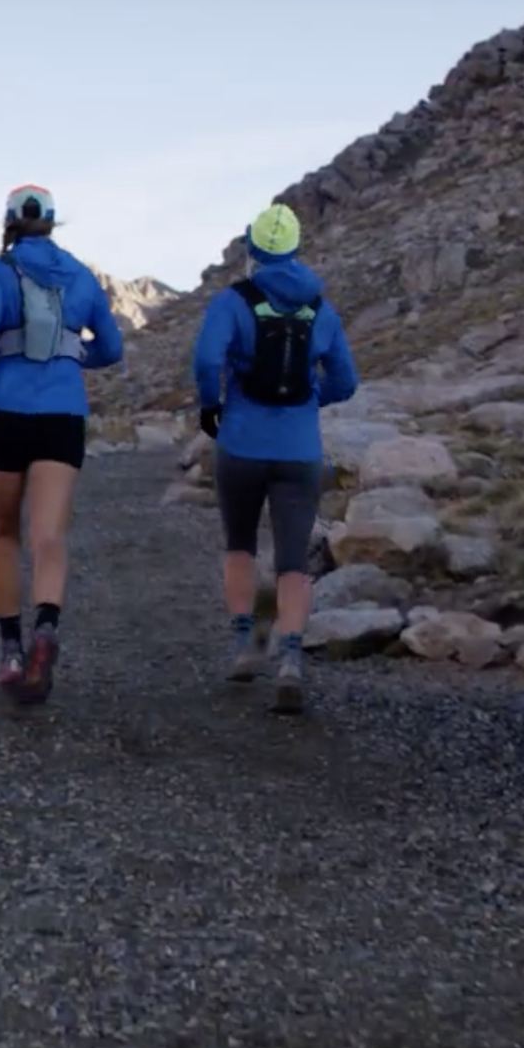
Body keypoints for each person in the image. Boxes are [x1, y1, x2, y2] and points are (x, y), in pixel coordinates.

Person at [190, 201, 359, 715]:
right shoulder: (321, 309)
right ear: (296, 248)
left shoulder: (233, 301)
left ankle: (245, 645)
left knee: (239, 546)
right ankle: (290, 660)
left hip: (240, 443)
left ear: (252, 249)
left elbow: (206, 359)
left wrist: (212, 406)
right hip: (299, 450)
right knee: (293, 558)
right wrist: (311, 400)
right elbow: (346, 381)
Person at [0, 184, 125, 703]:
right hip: (63, 411)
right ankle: (46, 628)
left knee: (6, 532)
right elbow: (112, 346)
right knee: (49, 535)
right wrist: (74, 359)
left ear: (9, 221)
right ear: (52, 223)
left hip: (7, 410)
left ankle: (11, 651)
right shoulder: (80, 275)